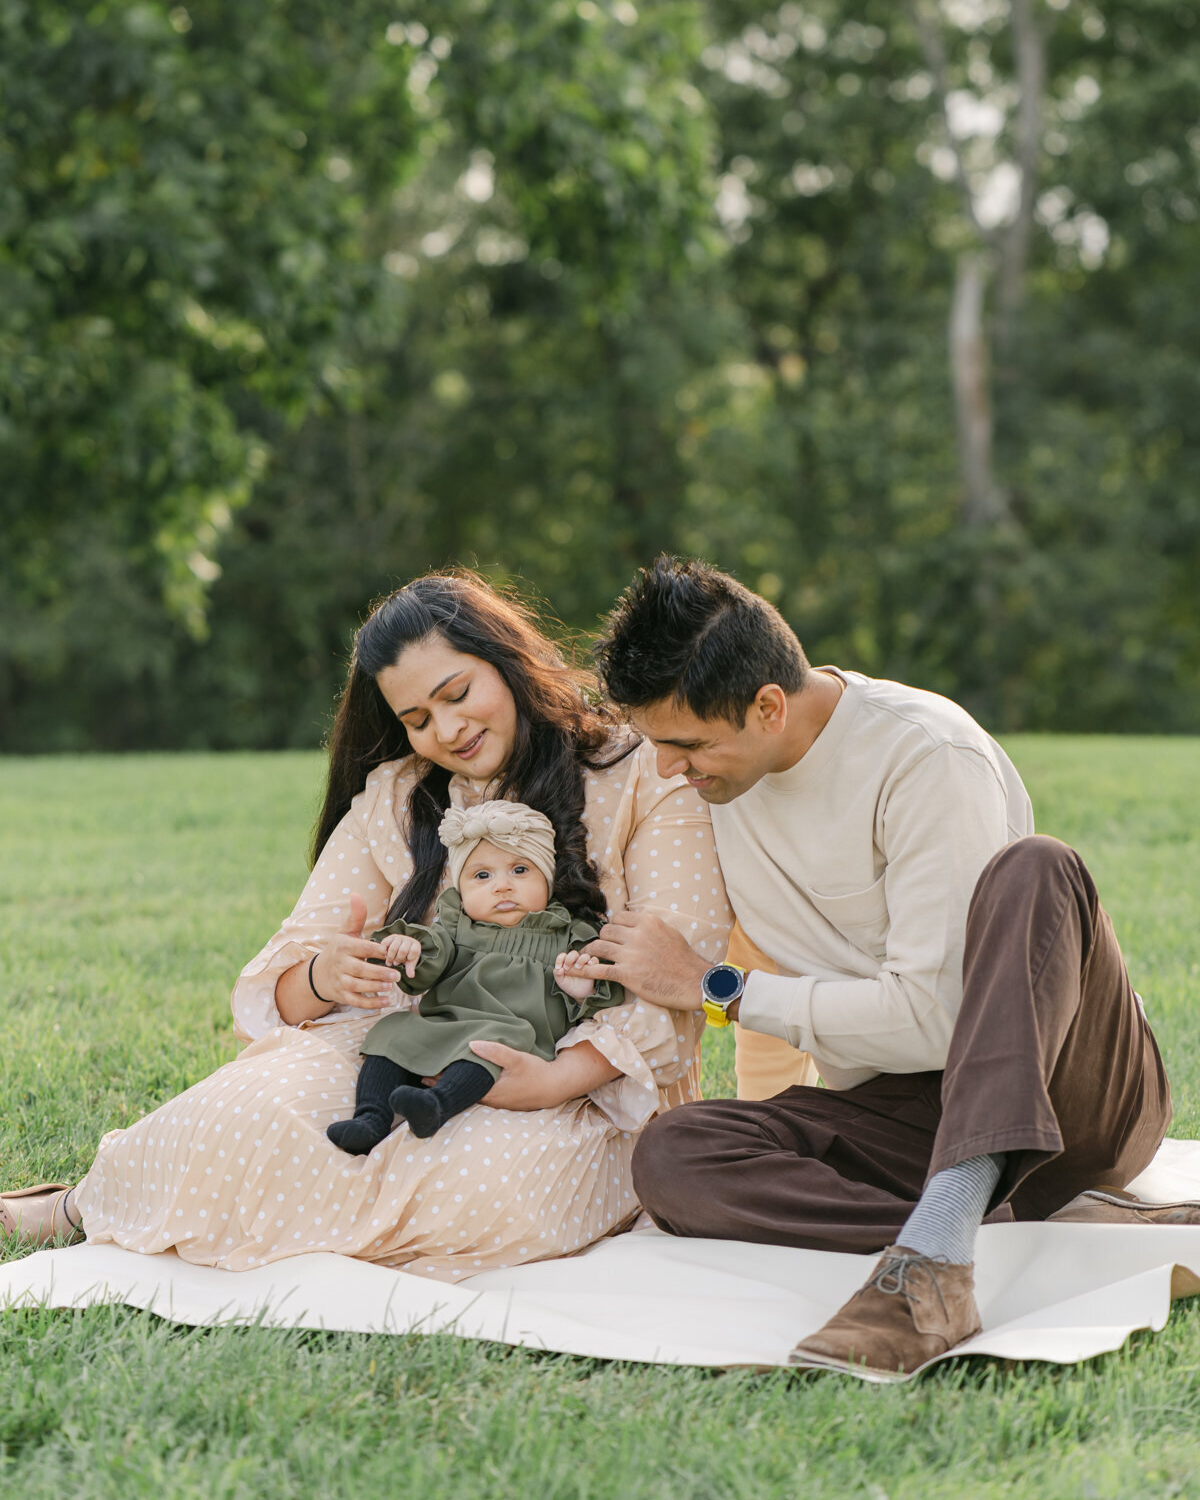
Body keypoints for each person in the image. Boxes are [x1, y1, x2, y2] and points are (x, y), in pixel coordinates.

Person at [0, 571, 730, 1281]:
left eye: (458, 694)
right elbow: (285, 990)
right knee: (228, 1122)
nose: (447, 729)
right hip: (402, 1038)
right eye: (417, 719)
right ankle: (82, 1205)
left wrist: (552, 1081)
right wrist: (324, 975)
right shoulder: (397, 796)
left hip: (578, 1070)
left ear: (508, 663)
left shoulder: (640, 774)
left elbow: (671, 975)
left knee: (482, 1189)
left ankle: (269, 1220)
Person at [584, 555, 1194, 1376]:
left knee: (1036, 869)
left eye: (686, 744)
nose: (666, 769)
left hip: (1067, 1088)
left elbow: (935, 1015)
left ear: (768, 706)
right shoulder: (721, 787)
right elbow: (775, 966)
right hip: (906, 1108)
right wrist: (772, 1130)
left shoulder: (924, 754)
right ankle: (1013, 1217)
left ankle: (934, 1267)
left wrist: (711, 989)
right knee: (672, 1154)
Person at [327, 799, 623, 1150]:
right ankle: (370, 1118)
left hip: (513, 1036)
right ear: (461, 890)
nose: (502, 886)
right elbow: (424, 966)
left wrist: (580, 989)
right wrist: (407, 951)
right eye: (482, 876)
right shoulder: (455, 927)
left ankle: (435, 1106)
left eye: (520, 870)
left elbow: (604, 1002)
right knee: (394, 1031)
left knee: (489, 1046)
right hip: (446, 1024)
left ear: (547, 878)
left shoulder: (567, 935)